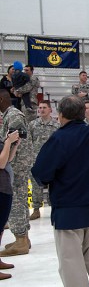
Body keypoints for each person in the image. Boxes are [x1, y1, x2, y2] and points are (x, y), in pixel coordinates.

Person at [31, 96, 89, 287]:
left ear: (60, 115)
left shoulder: (59, 138)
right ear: (83, 113)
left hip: (69, 209)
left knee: (71, 259)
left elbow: (42, 173)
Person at [0, 89, 33, 257]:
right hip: (17, 163)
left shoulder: (13, 115)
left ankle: (21, 240)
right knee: (19, 200)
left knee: (17, 201)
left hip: (17, 164)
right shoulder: (9, 115)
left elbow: (15, 140)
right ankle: (23, 238)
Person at [27, 100, 60, 220]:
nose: (41, 110)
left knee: (54, 185)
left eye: (44, 108)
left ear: (50, 110)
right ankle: (36, 209)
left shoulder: (57, 126)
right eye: (40, 108)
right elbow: (28, 142)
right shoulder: (32, 124)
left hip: (53, 160)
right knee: (36, 185)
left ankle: (53, 208)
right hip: (37, 160)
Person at [0, 130, 20, 280]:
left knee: (0, 227)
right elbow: (0, 164)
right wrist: (8, 142)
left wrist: (14, 145)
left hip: (4, 187)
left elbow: (7, 160)